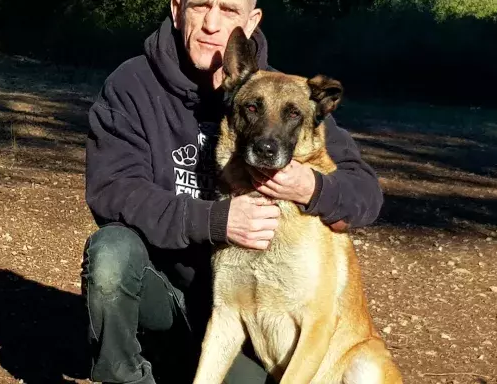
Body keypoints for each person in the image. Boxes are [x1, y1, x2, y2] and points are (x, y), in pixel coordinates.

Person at [81, 0, 384, 383]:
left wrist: (313, 186)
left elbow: (365, 193)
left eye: (227, 10)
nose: (211, 24)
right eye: (201, 6)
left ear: (252, 20)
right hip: (165, 288)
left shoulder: (285, 92)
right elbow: (112, 191)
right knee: (111, 252)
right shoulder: (132, 86)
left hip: (241, 323)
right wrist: (215, 220)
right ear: (177, 9)